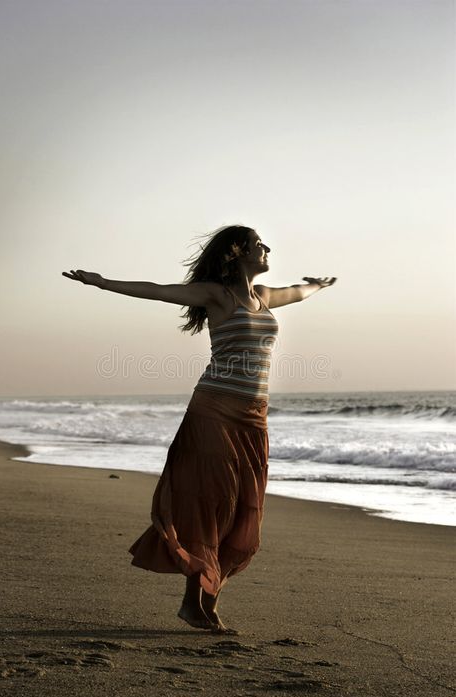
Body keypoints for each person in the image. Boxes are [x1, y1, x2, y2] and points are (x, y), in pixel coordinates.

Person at [62, 225, 337, 634]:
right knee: (215, 504)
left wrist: (317, 286)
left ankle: (202, 602)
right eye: (259, 244)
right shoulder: (216, 295)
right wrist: (103, 283)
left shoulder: (262, 297)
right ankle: (197, 605)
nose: (267, 249)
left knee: (244, 506)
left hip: (253, 417)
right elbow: (157, 290)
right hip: (214, 411)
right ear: (238, 251)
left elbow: (296, 292)